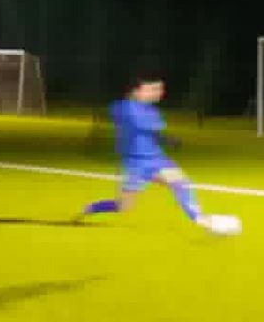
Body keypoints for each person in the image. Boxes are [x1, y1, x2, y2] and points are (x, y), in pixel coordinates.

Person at [80, 76, 230, 230]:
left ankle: (198, 217)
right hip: (136, 164)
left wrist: (167, 139)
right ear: (137, 91)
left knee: (180, 182)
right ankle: (92, 208)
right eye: (152, 89)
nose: (158, 92)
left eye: (160, 89)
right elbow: (136, 123)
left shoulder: (151, 111)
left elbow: (152, 132)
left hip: (157, 160)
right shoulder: (125, 107)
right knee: (124, 206)